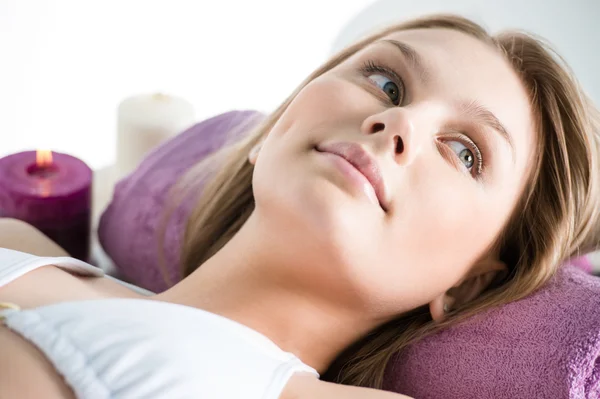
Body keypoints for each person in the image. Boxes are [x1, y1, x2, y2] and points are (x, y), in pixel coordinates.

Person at [1, 13, 599, 399]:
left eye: (465, 153)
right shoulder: (19, 242)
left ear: (468, 286)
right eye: (388, 83)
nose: (399, 121)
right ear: (274, 130)